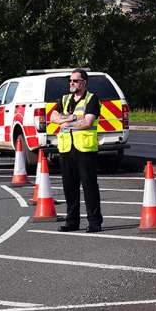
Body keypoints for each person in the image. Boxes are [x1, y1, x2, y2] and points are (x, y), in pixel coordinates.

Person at [48, 70, 102, 232]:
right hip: (66, 149)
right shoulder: (65, 99)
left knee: (89, 187)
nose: (71, 83)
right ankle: (72, 222)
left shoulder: (92, 99)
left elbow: (87, 122)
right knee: (69, 187)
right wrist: (69, 119)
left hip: (85, 148)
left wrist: (65, 123)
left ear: (84, 82)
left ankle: (94, 223)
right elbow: (53, 117)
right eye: (70, 80)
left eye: (75, 81)